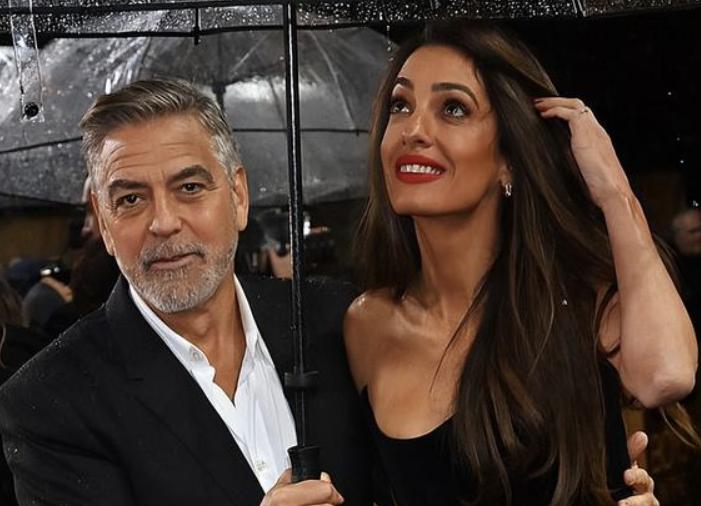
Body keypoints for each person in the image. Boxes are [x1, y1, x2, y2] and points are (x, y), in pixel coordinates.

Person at [344, 21, 697, 505]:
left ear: (509, 159)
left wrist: (615, 193)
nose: (414, 131)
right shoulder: (367, 325)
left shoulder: (576, 299)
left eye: (453, 108)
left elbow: (666, 376)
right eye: (400, 106)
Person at [0, 79, 370, 505]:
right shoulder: (51, 401)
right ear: (103, 223)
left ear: (239, 196)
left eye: (189, 188)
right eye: (131, 199)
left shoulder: (337, 321)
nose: (164, 222)